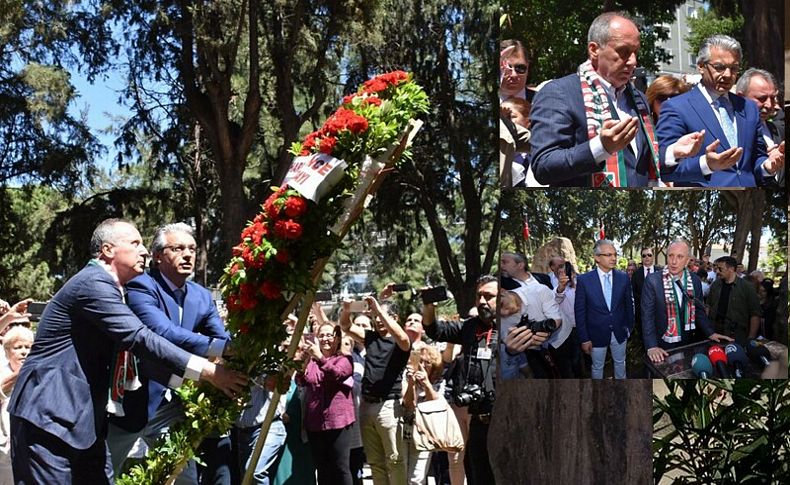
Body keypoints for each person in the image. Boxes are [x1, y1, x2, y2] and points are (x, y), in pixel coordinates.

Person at [7, 218, 247, 483]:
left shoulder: (115, 290)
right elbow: (140, 338)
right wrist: (210, 372)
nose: (144, 251)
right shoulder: (93, 283)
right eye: (135, 243)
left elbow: (137, 357)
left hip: (84, 423)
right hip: (49, 415)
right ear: (108, 250)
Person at [107, 222, 232, 481]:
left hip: (176, 405)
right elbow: (163, 333)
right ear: (158, 256)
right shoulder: (141, 286)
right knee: (104, 473)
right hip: (133, 403)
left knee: (184, 477)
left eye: (192, 249)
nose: (187, 255)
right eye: (177, 248)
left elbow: (221, 336)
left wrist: (235, 348)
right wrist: (223, 350)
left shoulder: (201, 296)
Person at [529, 12, 664, 187]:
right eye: (623, 51)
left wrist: (674, 153)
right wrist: (600, 148)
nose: (633, 61)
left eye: (635, 52)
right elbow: (543, 165)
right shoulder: (558, 93)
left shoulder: (639, 99)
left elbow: (641, 164)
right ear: (594, 50)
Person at [657, 35, 784, 187]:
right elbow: (664, 167)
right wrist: (706, 164)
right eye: (719, 67)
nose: (728, 75)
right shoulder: (677, 108)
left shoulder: (748, 108)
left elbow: (756, 157)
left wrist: (766, 167)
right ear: (701, 66)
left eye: (734, 68)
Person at [422, 275, 499, 484]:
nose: (482, 301)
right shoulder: (469, 327)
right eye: (479, 296)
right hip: (478, 418)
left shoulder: (512, 327)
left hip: (504, 419)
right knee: (476, 474)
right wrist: (429, 305)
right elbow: (434, 329)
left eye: (489, 296)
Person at [339, 296, 411, 485]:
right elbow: (345, 326)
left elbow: (403, 339)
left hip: (388, 406)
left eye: (383, 315)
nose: (378, 319)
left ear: (394, 317)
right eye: (375, 316)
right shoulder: (370, 337)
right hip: (366, 406)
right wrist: (347, 309)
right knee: (375, 463)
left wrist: (378, 310)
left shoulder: (400, 341)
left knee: (395, 460)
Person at [640, 240, 731, 363]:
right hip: (660, 346)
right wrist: (651, 346)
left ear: (688, 260)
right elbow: (647, 316)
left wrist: (710, 333)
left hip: (687, 343)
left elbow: (698, 310)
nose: (673, 261)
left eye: (680, 256)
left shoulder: (694, 281)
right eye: (671, 255)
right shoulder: (653, 281)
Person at [296, 323, 355, 485]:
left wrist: (320, 358)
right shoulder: (312, 361)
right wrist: (303, 361)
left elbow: (337, 375)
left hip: (338, 421)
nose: (325, 339)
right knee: (322, 468)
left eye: (329, 335)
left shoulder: (344, 359)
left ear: (337, 339)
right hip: (315, 423)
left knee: (340, 467)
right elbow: (301, 380)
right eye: (321, 335)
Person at [574, 239, 634, 379]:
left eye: (614, 254)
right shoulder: (584, 280)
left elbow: (629, 305)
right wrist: (584, 338)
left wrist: (629, 328)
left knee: (620, 363)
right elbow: (580, 311)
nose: (613, 258)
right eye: (608, 255)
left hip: (620, 332)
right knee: (597, 367)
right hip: (595, 334)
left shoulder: (623, 277)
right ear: (597, 258)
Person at [402, 343, 445, 485]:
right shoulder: (405, 378)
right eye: (419, 361)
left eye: (427, 362)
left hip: (425, 433)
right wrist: (411, 384)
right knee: (401, 475)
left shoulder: (438, 382)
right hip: (405, 431)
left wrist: (426, 384)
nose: (422, 365)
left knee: (416, 479)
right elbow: (408, 404)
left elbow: (436, 404)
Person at [736, 67, 784, 186]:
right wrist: (764, 164)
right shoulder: (731, 133)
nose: (769, 105)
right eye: (762, 98)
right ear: (741, 98)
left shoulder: (779, 130)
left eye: (773, 98)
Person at [0, 326, 33, 485]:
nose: (24, 351)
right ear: (7, 352)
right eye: (18, 347)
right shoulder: (2, 372)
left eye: (28, 347)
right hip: (3, 447)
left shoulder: (39, 373)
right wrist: (18, 375)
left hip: (29, 442)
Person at [707, 256, 762, 344]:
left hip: (736, 334)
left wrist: (751, 337)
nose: (717, 271)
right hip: (715, 331)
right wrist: (707, 328)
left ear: (731, 269)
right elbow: (708, 306)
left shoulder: (747, 287)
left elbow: (755, 314)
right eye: (717, 269)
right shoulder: (715, 285)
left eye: (720, 269)